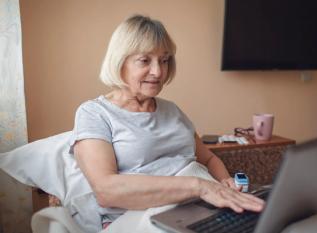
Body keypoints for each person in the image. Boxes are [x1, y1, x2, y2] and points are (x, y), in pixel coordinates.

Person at [69, 14, 264, 229]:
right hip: (142, 217)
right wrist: (199, 186)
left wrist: (225, 182)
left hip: (198, 208)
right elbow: (107, 190)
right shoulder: (94, 113)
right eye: (145, 60)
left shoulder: (172, 111)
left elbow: (208, 159)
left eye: (164, 60)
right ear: (119, 61)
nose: (158, 71)